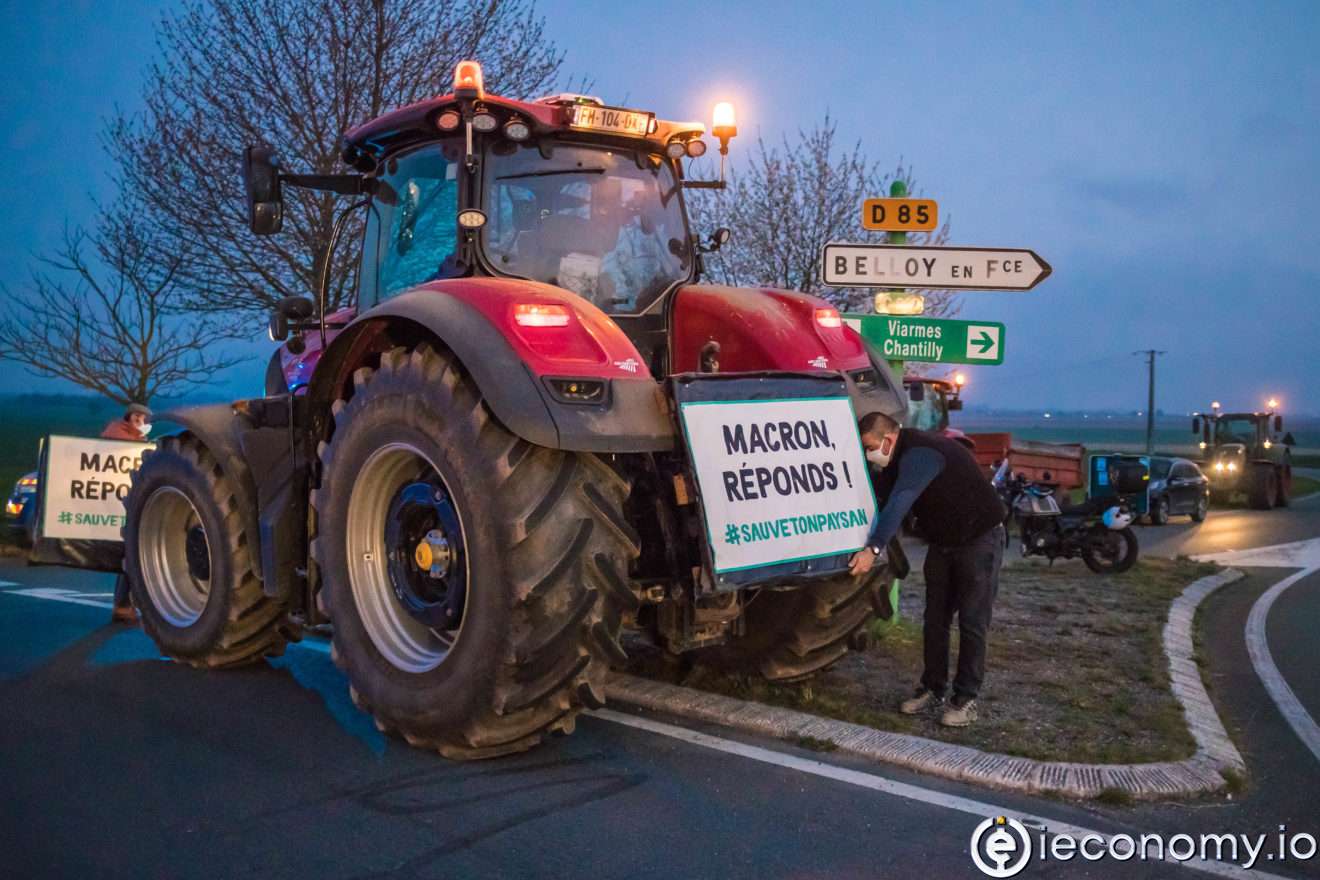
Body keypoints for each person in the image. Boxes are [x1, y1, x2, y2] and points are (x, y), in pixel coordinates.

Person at [847, 411, 1006, 727]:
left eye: (870, 447)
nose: (869, 455)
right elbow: (878, 499)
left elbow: (900, 502)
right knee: (935, 619)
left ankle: (965, 699)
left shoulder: (920, 453)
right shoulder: (892, 462)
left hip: (979, 538)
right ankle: (932, 688)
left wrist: (873, 548)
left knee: (973, 621)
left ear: (888, 439)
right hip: (943, 542)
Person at [101, 403, 153, 623]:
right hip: (116, 500)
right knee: (130, 552)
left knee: (130, 553)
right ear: (129, 416)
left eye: (144, 418)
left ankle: (123, 605)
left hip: (128, 500)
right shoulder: (118, 432)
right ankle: (122, 606)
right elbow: (123, 453)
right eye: (137, 416)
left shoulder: (136, 438)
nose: (140, 421)